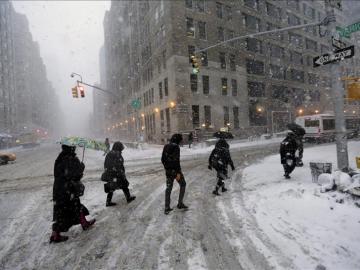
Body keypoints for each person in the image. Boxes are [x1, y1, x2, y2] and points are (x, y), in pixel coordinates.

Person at [50, 145, 95, 243]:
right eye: (73, 147)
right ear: (72, 148)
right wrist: (81, 168)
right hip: (68, 189)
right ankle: (56, 235)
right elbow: (74, 175)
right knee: (71, 208)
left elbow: (61, 174)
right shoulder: (70, 159)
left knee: (64, 209)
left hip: (59, 189)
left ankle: (83, 223)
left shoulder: (60, 158)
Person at [161, 133, 188, 215]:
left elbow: (162, 159)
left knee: (168, 188)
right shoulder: (176, 147)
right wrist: (178, 173)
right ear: (178, 140)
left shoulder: (166, 146)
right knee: (183, 184)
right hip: (175, 171)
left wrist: (167, 168)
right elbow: (176, 161)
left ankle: (167, 207)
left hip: (168, 171)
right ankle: (180, 203)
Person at [103, 141, 136, 206]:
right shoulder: (116, 154)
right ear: (118, 147)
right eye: (121, 147)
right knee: (124, 185)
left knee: (112, 187)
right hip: (117, 175)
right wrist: (120, 172)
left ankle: (108, 202)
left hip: (112, 174)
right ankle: (128, 198)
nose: (122, 149)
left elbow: (106, 164)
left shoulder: (110, 153)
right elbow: (118, 165)